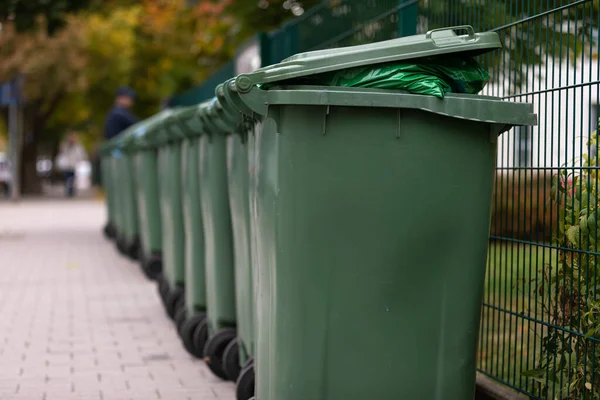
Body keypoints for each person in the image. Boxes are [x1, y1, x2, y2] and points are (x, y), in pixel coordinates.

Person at [56, 131, 87, 198]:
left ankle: (71, 191)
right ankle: (69, 190)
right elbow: (62, 153)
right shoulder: (65, 145)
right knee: (67, 178)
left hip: (74, 165)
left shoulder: (78, 146)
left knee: (72, 178)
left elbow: (81, 155)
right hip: (66, 165)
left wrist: (79, 161)